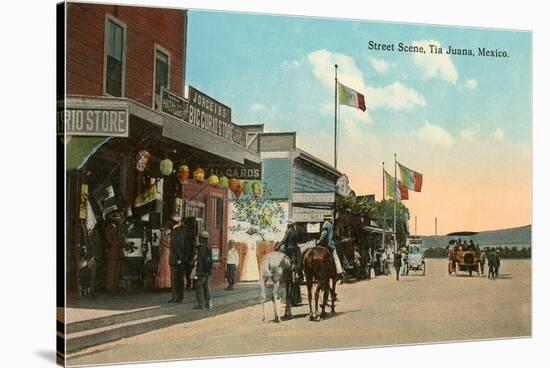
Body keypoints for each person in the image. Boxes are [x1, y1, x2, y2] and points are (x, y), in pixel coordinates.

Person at [168, 215, 192, 303]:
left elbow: (176, 246)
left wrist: (178, 258)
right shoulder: (184, 232)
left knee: (174, 280)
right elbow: (187, 246)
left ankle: (174, 297)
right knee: (180, 279)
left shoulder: (174, 232)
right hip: (182, 259)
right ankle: (180, 297)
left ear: (172, 222)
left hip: (175, 259)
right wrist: (184, 258)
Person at [317, 214, 344, 281]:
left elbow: (324, 234)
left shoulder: (326, 224)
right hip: (330, 243)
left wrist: (319, 241)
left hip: (325, 243)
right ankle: (339, 271)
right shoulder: (331, 224)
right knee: (336, 257)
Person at [104, 211, 125, 292]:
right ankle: (109, 287)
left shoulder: (118, 229)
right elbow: (109, 242)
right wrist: (120, 242)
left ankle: (114, 287)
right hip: (112, 253)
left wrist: (120, 241)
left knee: (117, 271)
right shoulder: (109, 229)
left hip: (118, 253)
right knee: (111, 271)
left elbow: (122, 239)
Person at [194, 231, 213, 309]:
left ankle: (200, 304)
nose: (199, 239)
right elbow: (209, 260)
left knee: (199, 287)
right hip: (207, 271)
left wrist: (203, 271)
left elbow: (203, 261)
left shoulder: (202, 249)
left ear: (202, 239)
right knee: (206, 288)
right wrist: (209, 270)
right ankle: (208, 304)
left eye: (200, 237)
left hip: (202, 271)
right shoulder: (208, 247)